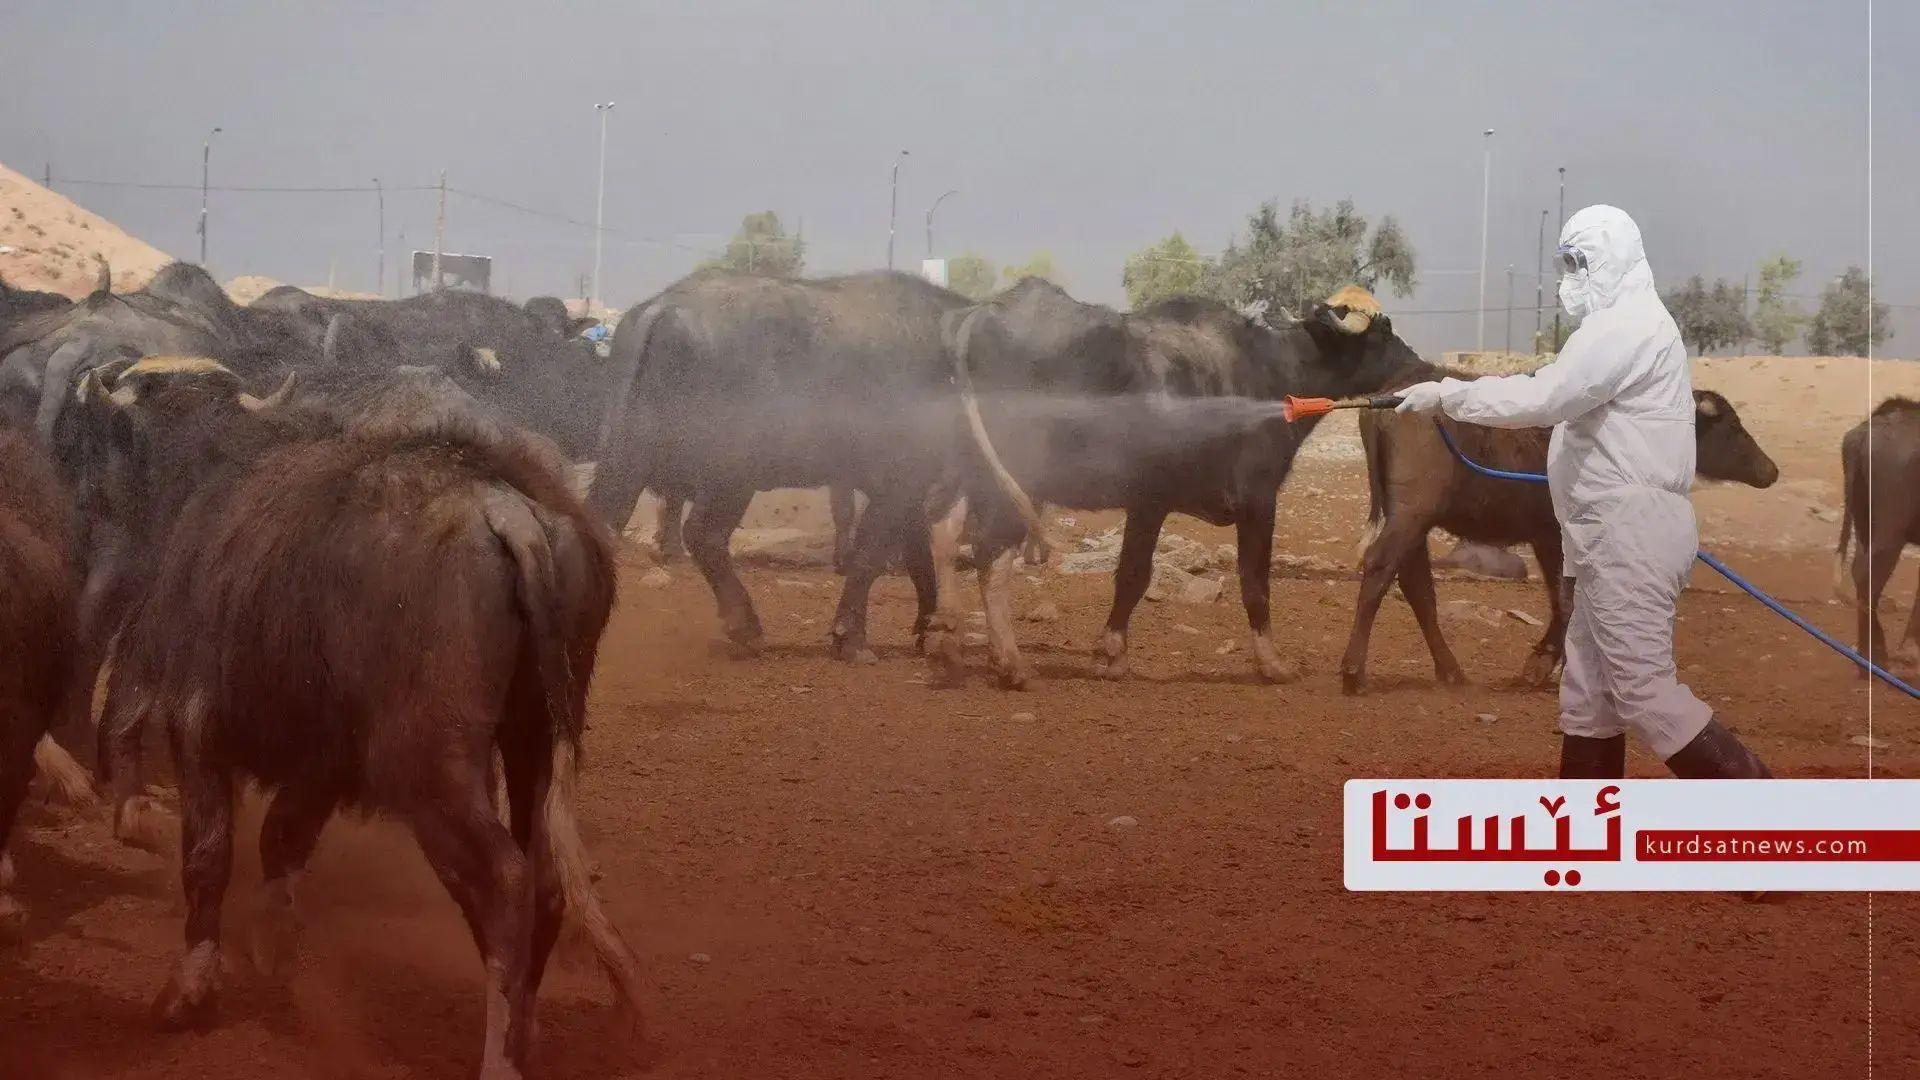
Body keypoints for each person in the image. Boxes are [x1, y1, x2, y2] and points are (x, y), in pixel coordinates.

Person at [1393, 205, 1770, 780]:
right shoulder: (1618, 328)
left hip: (1630, 534)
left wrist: (1447, 395)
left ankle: (1779, 826)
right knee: (1589, 702)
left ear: (1616, 258)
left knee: (1644, 693)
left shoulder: (1627, 326)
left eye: (1582, 263)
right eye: (1566, 263)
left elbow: (1548, 396)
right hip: (1606, 536)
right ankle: (1585, 849)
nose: (1571, 278)